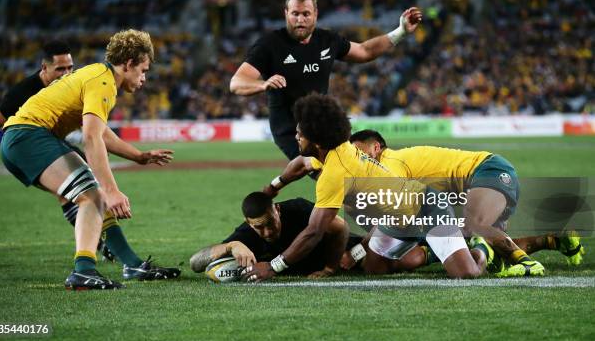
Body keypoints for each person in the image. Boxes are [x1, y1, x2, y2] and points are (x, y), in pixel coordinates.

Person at [1, 30, 178, 290]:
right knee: (93, 196)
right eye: (142, 70)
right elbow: (91, 138)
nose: (144, 78)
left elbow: (102, 133)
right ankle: (83, 271)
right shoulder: (103, 82)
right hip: (28, 137)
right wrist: (111, 189)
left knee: (86, 197)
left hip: (22, 141)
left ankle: (131, 263)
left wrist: (139, 157)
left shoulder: (98, 75)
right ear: (128, 64)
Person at [244, 93, 488, 282]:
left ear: (316, 140)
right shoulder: (333, 149)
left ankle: (479, 248)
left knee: (465, 275)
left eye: (300, 134)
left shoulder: (334, 172)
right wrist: (273, 187)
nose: (296, 137)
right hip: (394, 222)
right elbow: (300, 164)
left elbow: (314, 231)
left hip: (425, 209)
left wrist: (273, 266)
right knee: (374, 268)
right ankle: (438, 249)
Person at [348, 129, 586, 276]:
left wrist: (358, 250)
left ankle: (525, 263)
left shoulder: (389, 163)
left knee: (475, 227)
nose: (356, 159)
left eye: (359, 152)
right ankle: (552, 239)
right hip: (462, 192)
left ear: (376, 147)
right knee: (463, 238)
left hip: (486, 171)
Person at [229, 0, 422, 160]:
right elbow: (237, 82)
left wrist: (401, 31)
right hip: (291, 131)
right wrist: (262, 84)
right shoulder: (269, 45)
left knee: (355, 170)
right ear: (286, 13)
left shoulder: (327, 40)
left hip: (323, 125)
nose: (300, 19)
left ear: (315, 14)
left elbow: (365, 51)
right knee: (329, 173)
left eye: (306, 14)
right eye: (295, 13)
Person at [189, 192, 359, 278]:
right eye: (259, 227)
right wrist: (230, 245)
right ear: (248, 222)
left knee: (377, 266)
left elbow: (341, 228)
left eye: (271, 223)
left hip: (350, 252)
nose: (268, 231)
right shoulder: (246, 234)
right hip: (308, 266)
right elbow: (195, 263)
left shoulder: (299, 209)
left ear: (277, 210)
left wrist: (330, 268)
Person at [0, 41, 74, 154]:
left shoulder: (70, 85)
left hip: (53, 142)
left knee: (86, 165)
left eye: (70, 68)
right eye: (60, 69)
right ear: (44, 67)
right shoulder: (23, 92)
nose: (67, 74)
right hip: (27, 149)